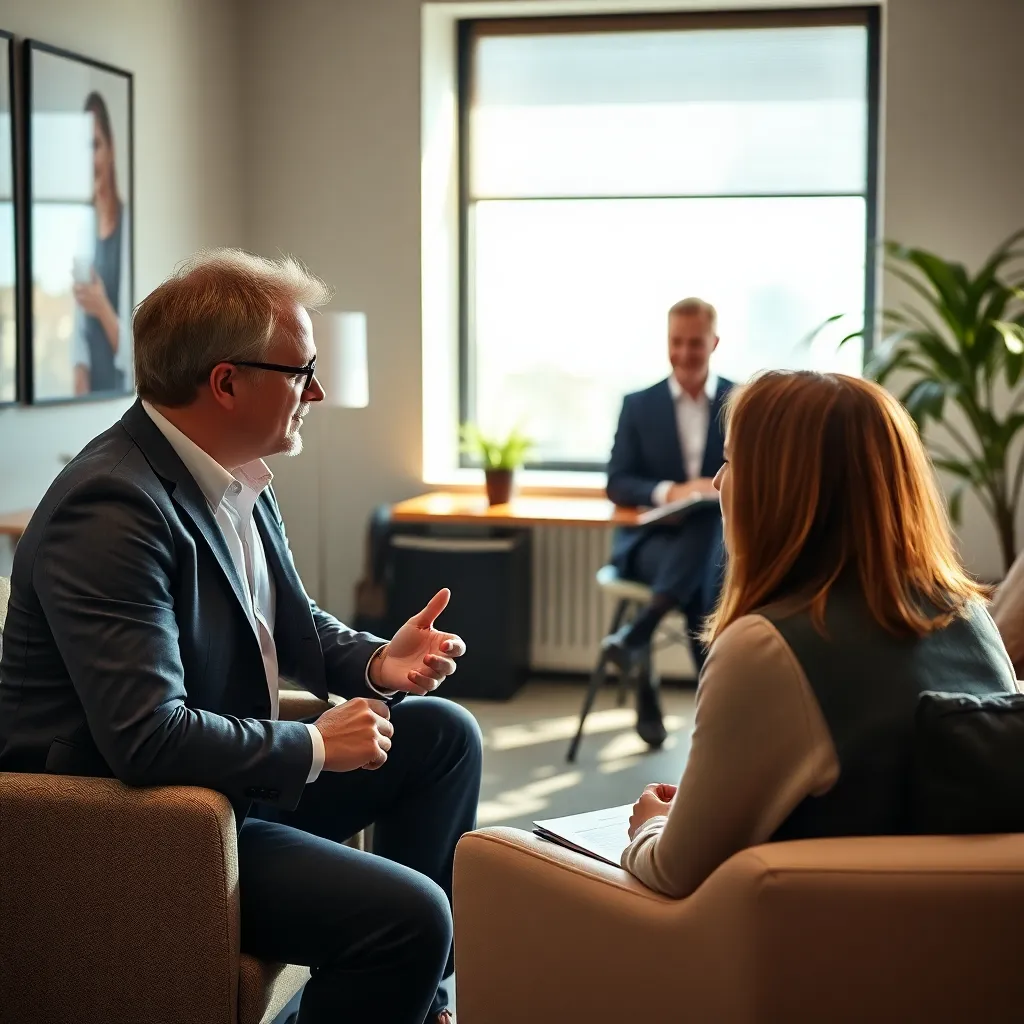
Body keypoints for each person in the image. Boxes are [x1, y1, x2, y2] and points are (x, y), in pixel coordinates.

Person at [0, 250, 480, 1024]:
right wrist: (318, 746)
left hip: (224, 784)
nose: (316, 391)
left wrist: (378, 662)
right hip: (135, 826)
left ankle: (417, 1005)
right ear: (226, 382)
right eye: (301, 370)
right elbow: (147, 740)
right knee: (412, 916)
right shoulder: (112, 508)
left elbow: (288, 624)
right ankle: (406, 988)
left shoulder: (236, 473)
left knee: (444, 736)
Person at [620, 370, 1019, 899]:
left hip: (807, 958)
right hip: (950, 944)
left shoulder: (766, 647)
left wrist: (649, 825)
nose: (718, 482)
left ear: (781, 490)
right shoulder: (970, 614)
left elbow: (674, 874)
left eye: (732, 460)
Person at [604, 297, 734, 746]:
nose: (683, 353)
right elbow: (618, 482)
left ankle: (641, 636)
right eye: (675, 342)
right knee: (708, 580)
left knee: (707, 543)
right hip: (649, 545)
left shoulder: (740, 400)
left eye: (694, 343)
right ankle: (713, 714)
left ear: (714, 342)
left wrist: (709, 492)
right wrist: (672, 492)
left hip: (715, 546)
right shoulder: (639, 404)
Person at [71, 90, 131, 395]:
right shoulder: (82, 229)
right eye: (83, 148)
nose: (90, 160)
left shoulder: (128, 226)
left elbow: (136, 359)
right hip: (88, 398)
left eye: (95, 145)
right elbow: (77, 337)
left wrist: (102, 307)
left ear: (111, 150)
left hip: (118, 395)